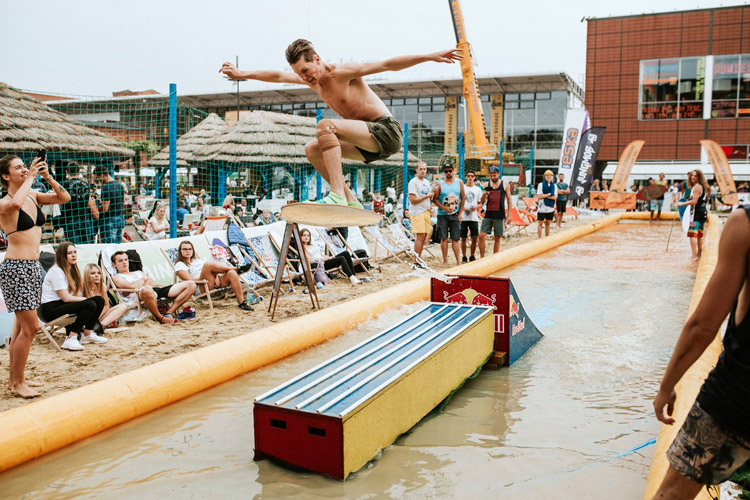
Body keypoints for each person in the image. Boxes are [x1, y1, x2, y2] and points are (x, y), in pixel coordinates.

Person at [219, 39, 460, 207]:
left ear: (316, 59)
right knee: (312, 149)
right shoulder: (312, 81)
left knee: (325, 126)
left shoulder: (342, 73)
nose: (304, 77)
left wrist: (429, 56)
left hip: (387, 131)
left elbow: (387, 64)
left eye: (306, 70)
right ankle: (349, 199)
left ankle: (336, 194)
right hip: (368, 144)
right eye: (300, 74)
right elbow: (277, 75)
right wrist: (243, 74)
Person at [651, 206, 750, 500]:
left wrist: (666, 387)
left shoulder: (743, 225)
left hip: (735, 401)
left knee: (671, 494)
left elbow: (702, 327)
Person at [0, 155, 70, 397]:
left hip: (32, 266)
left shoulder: (33, 195)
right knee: (31, 328)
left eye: (24, 166)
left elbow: (64, 197)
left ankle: (16, 379)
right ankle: (17, 383)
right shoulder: (4, 202)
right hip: (15, 268)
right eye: (17, 167)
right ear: (5, 176)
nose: (23, 169)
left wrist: (46, 177)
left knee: (21, 328)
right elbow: (15, 206)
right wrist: (30, 176)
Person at [40, 242, 108, 351]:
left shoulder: (70, 269)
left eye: (75, 252)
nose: (74, 255)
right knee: (89, 304)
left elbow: (72, 295)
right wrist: (85, 300)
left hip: (61, 305)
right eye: (69, 253)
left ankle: (87, 334)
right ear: (62, 255)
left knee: (99, 300)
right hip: (50, 310)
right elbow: (66, 298)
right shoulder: (56, 271)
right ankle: (71, 338)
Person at [110, 250, 196, 324]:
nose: (124, 262)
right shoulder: (116, 277)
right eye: (120, 261)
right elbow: (132, 286)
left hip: (153, 290)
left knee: (191, 284)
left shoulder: (138, 272)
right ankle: (160, 318)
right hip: (139, 295)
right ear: (114, 264)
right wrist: (144, 279)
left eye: (126, 259)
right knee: (146, 289)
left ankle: (169, 312)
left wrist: (139, 283)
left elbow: (152, 283)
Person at [174, 240, 253, 311]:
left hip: (212, 281)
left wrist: (215, 277)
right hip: (201, 287)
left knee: (231, 273)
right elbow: (190, 282)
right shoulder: (180, 264)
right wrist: (205, 277)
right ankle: (236, 269)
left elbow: (212, 270)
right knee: (208, 265)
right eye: (185, 249)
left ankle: (242, 303)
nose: (188, 251)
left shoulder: (197, 261)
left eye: (190, 249)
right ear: (180, 251)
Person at [433, 163, 465, 265]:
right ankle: (445, 260)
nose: (448, 173)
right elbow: (435, 199)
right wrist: (444, 208)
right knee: (444, 238)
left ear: (453, 171)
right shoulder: (440, 184)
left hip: (455, 214)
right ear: (444, 172)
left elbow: (463, 197)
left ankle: (458, 261)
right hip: (442, 215)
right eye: (446, 171)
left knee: (455, 239)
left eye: (450, 171)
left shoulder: (459, 182)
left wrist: (460, 213)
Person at [58, 161, 97, 244]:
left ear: (66, 172)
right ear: (79, 171)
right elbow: (89, 202)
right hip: (85, 218)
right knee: (87, 246)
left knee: (74, 246)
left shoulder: (63, 185)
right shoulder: (86, 184)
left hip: (70, 219)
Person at [479, 165, 514, 257]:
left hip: (500, 214)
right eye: (491, 175)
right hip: (489, 213)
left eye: (494, 174)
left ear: (498, 174)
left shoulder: (505, 184)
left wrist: (509, 215)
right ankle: (482, 257)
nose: (493, 176)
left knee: (498, 237)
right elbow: (482, 202)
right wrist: (483, 195)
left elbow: (509, 199)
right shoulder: (487, 185)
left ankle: (495, 256)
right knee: (482, 235)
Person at [677, 169, 710, 261]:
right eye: (692, 175)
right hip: (702, 213)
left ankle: (693, 256)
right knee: (699, 235)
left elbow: (694, 201)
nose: (692, 177)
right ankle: (699, 255)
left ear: (699, 177)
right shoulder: (702, 187)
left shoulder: (696, 187)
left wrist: (681, 204)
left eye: (695, 176)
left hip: (696, 214)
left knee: (692, 235)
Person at [82, 263, 128, 329]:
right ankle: (98, 325)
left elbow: (106, 305)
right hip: (86, 318)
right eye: (93, 273)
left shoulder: (102, 286)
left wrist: (97, 316)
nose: (96, 275)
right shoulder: (82, 287)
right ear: (86, 275)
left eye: (99, 273)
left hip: (98, 315)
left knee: (123, 306)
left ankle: (100, 326)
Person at [407, 161, 435, 265]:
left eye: (424, 169)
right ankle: (416, 261)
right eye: (421, 169)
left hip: (426, 211)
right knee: (420, 236)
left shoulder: (427, 182)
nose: (423, 171)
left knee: (424, 236)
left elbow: (428, 196)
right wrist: (427, 196)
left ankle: (419, 259)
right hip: (417, 211)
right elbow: (413, 200)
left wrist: (432, 195)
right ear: (417, 170)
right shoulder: (413, 182)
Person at [95, 165, 125, 244]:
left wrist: (96, 209)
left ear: (102, 175)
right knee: (119, 245)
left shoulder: (106, 188)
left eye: (97, 177)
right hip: (120, 217)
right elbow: (122, 201)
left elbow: (105, 208)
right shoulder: (119, 185)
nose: (98, 180)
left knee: (110, 247)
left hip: (110, 220)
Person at [460, 170, 483, 262]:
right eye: (468, 176)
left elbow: (480, 203)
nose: (470, 178)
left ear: (474, 178)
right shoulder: (462, 188)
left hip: (473, 217)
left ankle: (472, 255)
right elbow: (458, 201)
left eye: (472, 176)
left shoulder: (477, 189)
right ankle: (464, 256)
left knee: (474, 237)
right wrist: (463, 208)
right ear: (466, 177)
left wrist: (476, 207)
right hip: (464, 216)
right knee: (463, 238)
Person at [536, 170, 557, 238]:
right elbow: (539, 196)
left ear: (552, 177)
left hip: (550, 208)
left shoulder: (554, 186)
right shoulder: (541, 185)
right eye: (547, 175)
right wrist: (549, 194)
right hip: (542, 207)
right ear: (545, 177)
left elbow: (555, 197)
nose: (548, 177)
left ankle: (547, 237)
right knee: (540, 223)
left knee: (548, 223)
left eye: (550, 175)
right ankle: (539, 238)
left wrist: (545, 196)